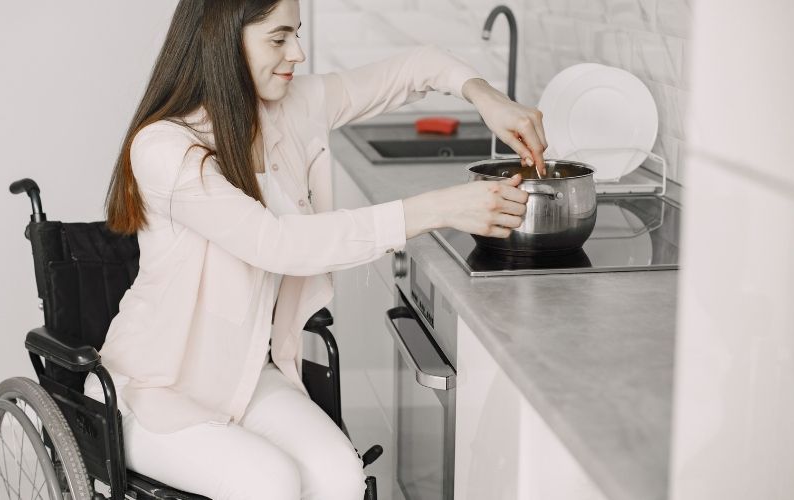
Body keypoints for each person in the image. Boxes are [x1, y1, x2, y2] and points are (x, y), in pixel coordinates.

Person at [83, 0, 547, 499]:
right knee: (270, 482)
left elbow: (418, 67)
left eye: (297, 34)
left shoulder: (292, 106)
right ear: (222, 40)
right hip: (153, 392)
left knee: (340, 478)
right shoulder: (164, 148)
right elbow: (277, 244)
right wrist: (437, 209)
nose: (298, 53)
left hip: (244, 377)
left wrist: (485, 96)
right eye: (279, 39)